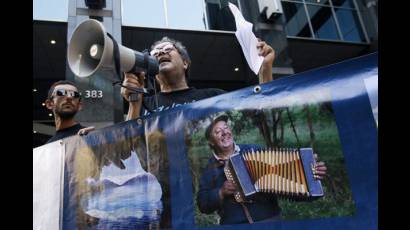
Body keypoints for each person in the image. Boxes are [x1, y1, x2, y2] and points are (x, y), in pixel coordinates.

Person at [197, 115, 327, 225]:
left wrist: (311, 175)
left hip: (270, 220)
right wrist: (221, 192)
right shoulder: (209, 169)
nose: (225, 132)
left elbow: (285, 183)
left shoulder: (255, 151)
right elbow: (203, 204)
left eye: (226, 127)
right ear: (211, 141)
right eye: (218, 131)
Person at [120, 36, 275, 120]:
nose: (160, 53)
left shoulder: (215, 97)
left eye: (168, 49)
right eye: (155, 53)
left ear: (185, 63)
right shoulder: (143, 104)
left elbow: (262, 117)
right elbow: (128, 150)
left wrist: (265, 70)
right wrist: (134, 104)